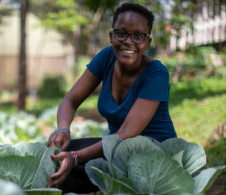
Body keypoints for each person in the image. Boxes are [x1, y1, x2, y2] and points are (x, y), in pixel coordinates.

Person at [46, 3, 177, 193]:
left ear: (148, 42)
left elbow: (126, 133)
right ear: (111, 36)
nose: (128, 41)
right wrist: (64, 128)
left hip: (155, 160)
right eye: (121, 33)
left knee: (72, 165)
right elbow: (71, 99)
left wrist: (76, 157)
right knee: (57, 160)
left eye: (138, 36)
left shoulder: (156, 74)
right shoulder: (107, 58)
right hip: (118, 153)